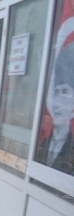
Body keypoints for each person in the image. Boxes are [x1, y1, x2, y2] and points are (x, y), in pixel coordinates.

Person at [37, 41, 74, 175]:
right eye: (56, 92)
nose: (57, 101)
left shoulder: (71, 146)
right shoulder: (43, 142)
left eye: (65, 92)